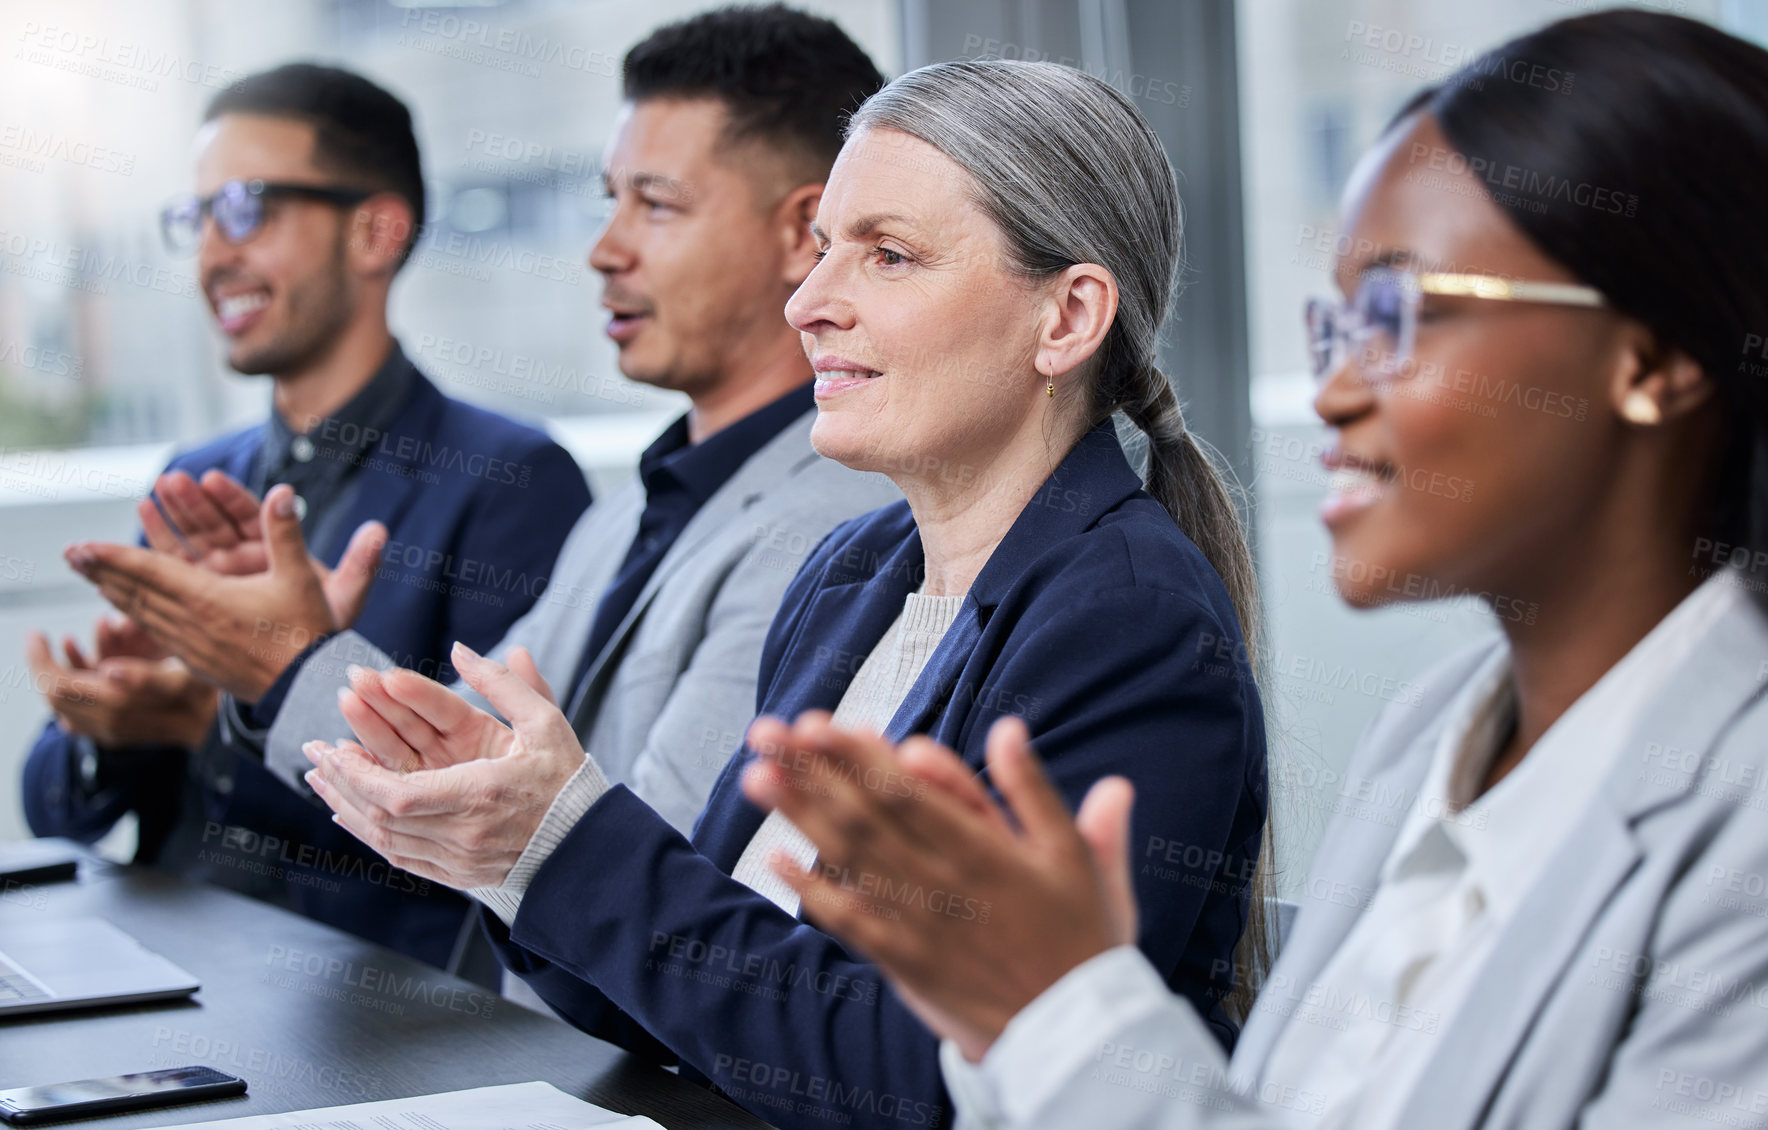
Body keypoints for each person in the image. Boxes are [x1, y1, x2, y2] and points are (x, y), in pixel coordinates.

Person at [739, 10, 1768, 1129]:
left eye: (1403, 313)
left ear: (1650, 362)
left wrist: (1057, 1007)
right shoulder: (1432, 730)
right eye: (1336, 326)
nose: (1331, 390)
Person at [302, 57, 1269, 1130]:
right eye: (820, 254)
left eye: (887, 256)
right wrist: (515, 850)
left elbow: (923, 1075)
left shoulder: (1125, 621)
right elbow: (712, 984)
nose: (807, 303)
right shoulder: (848, 576)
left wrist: (569, 836)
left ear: (1066, 317)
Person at [71, 4, 899, 847]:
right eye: (609, 200)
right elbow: (459, 762)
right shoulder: (628, 515)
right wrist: (294, 651)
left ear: (805, 230)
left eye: (653, 205)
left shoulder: (837, 527)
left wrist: (289, 659)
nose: (602, 250)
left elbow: (652, 868)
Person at [23, 62, 592, 977]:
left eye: (246, 208)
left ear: (375, 229)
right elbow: (53, 808)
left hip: (366, 1009)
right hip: (147, 966)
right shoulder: (194, 480)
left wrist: (205, 725)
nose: (212, 254)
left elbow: (489, 834)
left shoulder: (509, 481)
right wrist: (101, 729)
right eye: (198, 217)